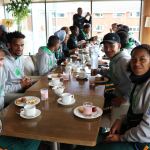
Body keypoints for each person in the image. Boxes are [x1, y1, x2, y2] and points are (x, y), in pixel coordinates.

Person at [77, 44, 150, 150]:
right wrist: (121, 120)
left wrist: (121, 138)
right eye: (134, 59)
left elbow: (147, 131)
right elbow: (135, 111)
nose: (137, 63)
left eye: (142, 59)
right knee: (86, 142)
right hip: (130, 130)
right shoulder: (138, 81)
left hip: (142, 143)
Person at [0, 46, 40, 150]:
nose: (1, 64)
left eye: (1, 60)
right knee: (34, 136)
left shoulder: (1, 71)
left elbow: (2, 94)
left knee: (36, 131)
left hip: (3, 117)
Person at [100, 33, 132, 120]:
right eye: (105, 46)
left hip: (123, 100)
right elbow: (113, 73)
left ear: (119, 45)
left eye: (111, 46)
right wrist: (99, 71)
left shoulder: (124, 61)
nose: (108, 49)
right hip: (116, 93)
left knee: (94, 106)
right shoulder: (115, 58)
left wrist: (125, 98)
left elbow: (137, 82)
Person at [4, 31, 32, 105]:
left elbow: (20, 75)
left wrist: (25, 79)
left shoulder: (20, 58)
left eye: (22, 45)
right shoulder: (3, 62)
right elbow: (2, 90)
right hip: (7, 95)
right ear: (9, 45)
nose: (20, 48)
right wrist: (21, 85)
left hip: (20, 89)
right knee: (32, 98)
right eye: (16, 45)